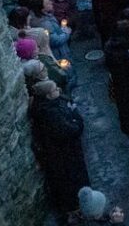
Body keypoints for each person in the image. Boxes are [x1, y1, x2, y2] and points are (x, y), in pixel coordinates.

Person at [28, 79, 90, 218]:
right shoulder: (50, 113)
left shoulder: (47, 107)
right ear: (48, 95)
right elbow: (71, 130)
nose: (58, 90)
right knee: (71, 181)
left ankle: (75, 207)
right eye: (55, 89)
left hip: (61, 152)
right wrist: (77, 120)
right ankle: (75, 209)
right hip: (65, 154)